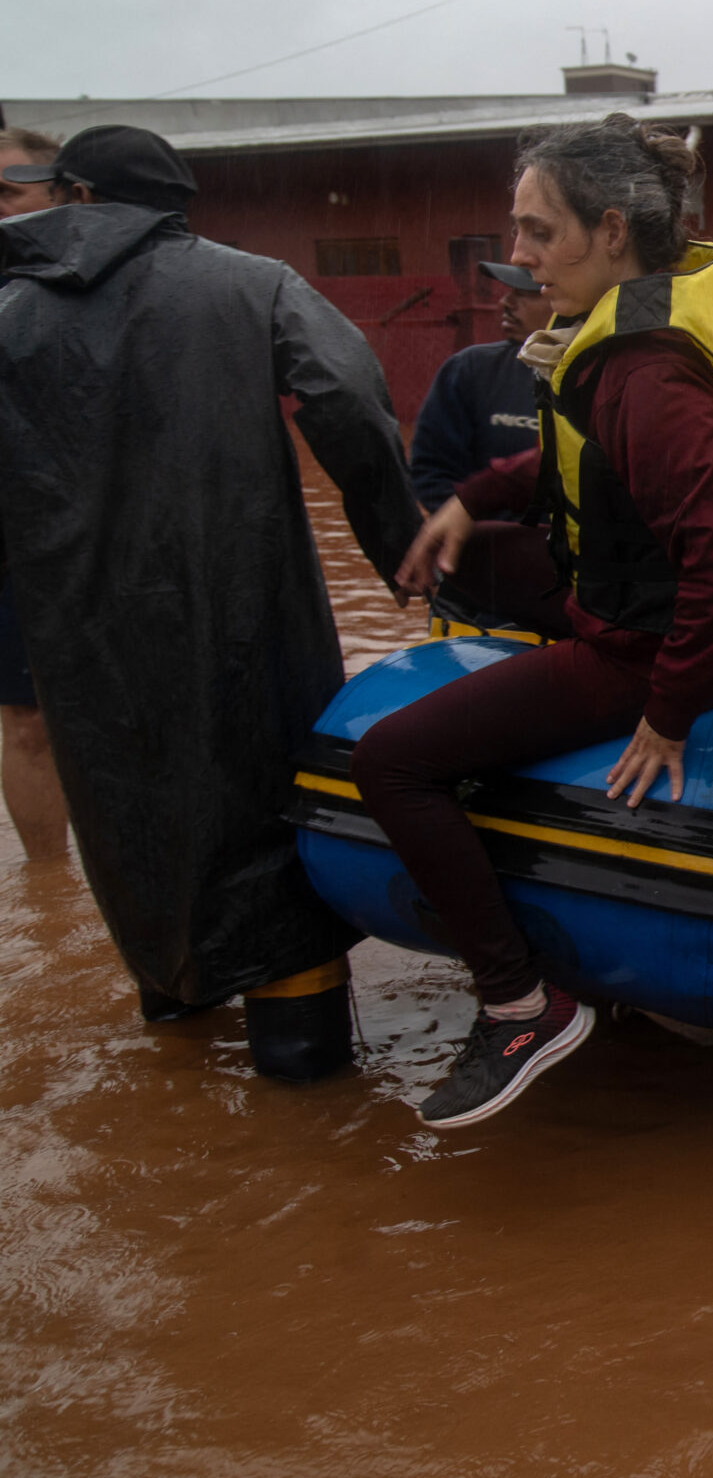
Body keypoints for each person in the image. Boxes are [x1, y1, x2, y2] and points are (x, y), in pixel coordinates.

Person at [352, 114, 713, 1130]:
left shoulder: (647, 373)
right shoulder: (649, 316)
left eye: (535, 232)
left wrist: (668, 714)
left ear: (611, 229)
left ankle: (520, 1004)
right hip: (667, 618)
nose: (514, 257)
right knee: (489, 580)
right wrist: (471, 498)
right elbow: (584, 457)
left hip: (661, 650)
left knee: (390, 761)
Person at [0, 125, 418, 1077]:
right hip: (246, 611)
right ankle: (303, 1074)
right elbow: (349, 398)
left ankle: (174, 1021)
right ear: (175, 206)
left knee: (133, 830)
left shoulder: (11, 316)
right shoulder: (251, 283)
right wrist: (400, 549)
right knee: (270, 824)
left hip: (83, 637)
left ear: (72, 194)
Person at [0, 126, 67, 862]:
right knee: (26, 720)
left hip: (107, 523)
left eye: (8, 193)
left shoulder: (106, 276)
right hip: (14, 530)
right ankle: (53, 894)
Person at [407, 262, 550, 514]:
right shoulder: (470, 370)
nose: (505, 303)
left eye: (524, 293)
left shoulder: (606, 374)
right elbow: (432, 472)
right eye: (509, 292)